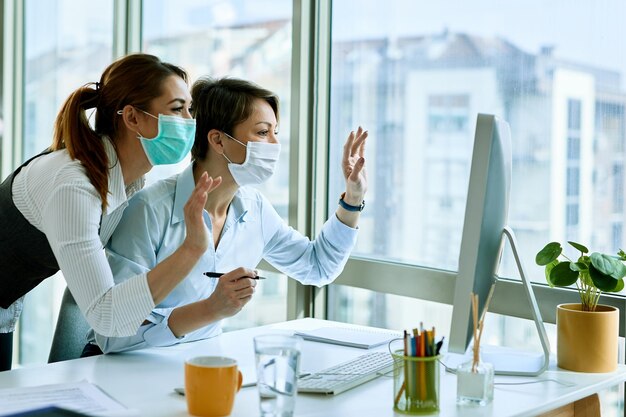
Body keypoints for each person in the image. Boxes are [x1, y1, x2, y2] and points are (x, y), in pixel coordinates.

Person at [87, 77, 368, 353]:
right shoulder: (149, 210)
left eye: (275, 133)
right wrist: (209, 310)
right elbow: (113, 335)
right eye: (261, 132)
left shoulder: (254, 209)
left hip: (196, 366)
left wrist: (353, 199)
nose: (274, 144)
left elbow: (318, 266)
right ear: (218, 140)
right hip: (123, 372)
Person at [0, 54, 225, 371]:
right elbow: (108, 315)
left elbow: (102, 290)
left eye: (190, 110)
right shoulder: (76, 187)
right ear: (133, 118)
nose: (190, 122)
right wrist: (192, 248)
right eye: (177, 109)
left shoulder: (126, 179)